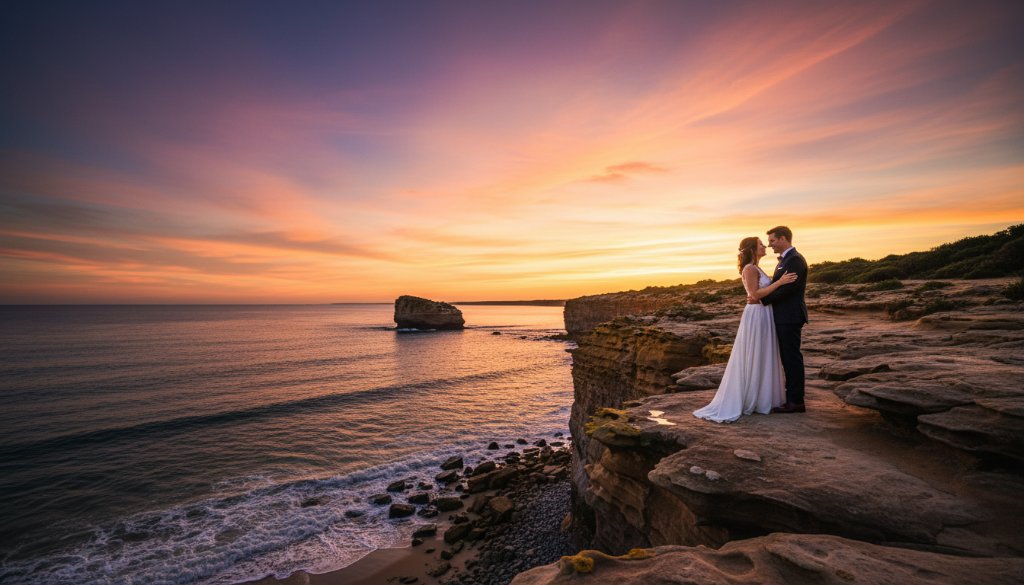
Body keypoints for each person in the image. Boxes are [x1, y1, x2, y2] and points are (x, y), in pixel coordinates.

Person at [693, 237, 797, 423]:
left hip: (764, 313)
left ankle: (761, 396)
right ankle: (752, 397)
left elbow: (759, 294)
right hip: (757, 314)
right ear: (751, 249)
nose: (765, 246)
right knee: (756, 352)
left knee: (763, 353)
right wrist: (779, 283)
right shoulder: (750, 269)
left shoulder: (756, 267)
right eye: (761, 245)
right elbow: (754, 295)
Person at [760, 226, 809, 413]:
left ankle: (796, 401)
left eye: (772, 240)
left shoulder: (794, 260)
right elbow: (778, 286)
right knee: (787, 358)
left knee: (791, 358)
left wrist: (761, 299)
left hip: (790, 316)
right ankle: (792, 398)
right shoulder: (786, 260)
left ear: (782, 239)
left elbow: (788, 289)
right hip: (784, 316)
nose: (770, 244)